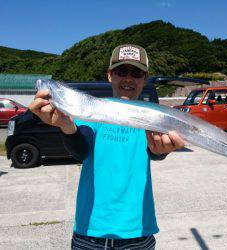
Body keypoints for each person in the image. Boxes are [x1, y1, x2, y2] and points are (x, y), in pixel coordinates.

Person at [29, 44, 185, 250]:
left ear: (144, 79)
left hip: (137, 233)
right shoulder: (93, 110)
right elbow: (80, 150)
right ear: (110, 75)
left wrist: (160, 152)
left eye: (136, 73)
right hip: (89, 234)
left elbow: (154, 150)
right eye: (121, 71)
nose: (128, 78)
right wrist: (66, 127)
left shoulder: (150, 117)